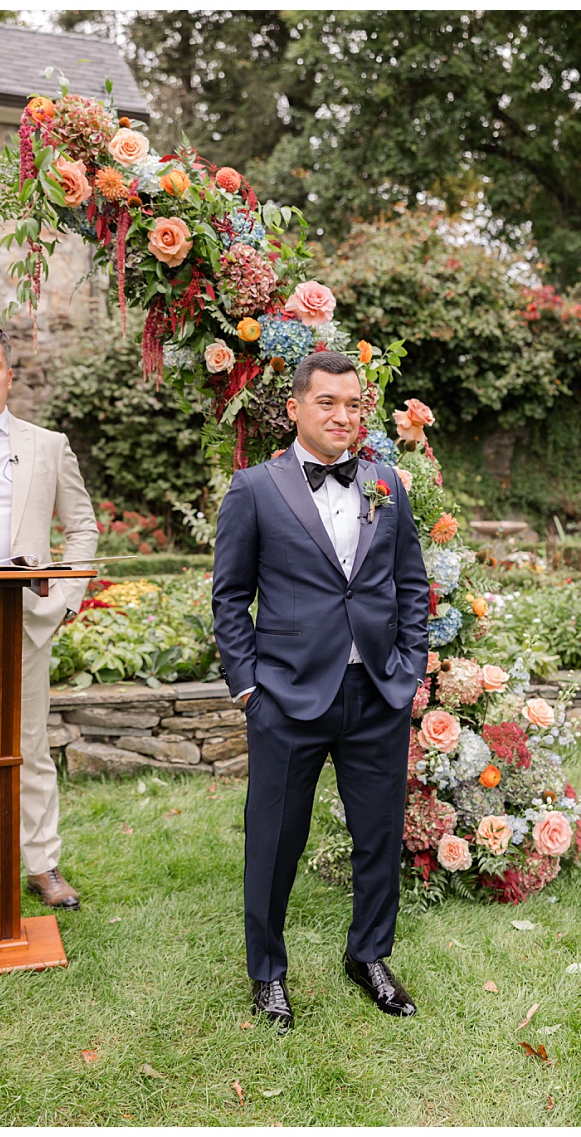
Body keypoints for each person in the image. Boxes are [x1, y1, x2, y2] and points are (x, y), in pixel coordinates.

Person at [212, 350, 429, 1032]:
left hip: (378, 695)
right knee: (275, 839)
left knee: (378, 835)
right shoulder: (253, 489)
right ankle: (268, 971)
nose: (343, 415)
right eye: (328, 402)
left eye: (354, 404)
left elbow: (411, 584)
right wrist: (250, 688)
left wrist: (410, 666)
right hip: (287, 699)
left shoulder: (386, 482)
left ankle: (368, 953)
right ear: (295, 408)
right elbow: (229, 598)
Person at [0, 320, 98, 910]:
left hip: (23, 623)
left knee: (31, 747)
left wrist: (62, 601)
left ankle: (42, 863)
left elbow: (83, 527)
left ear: (9, 375)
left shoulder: (47, 444)